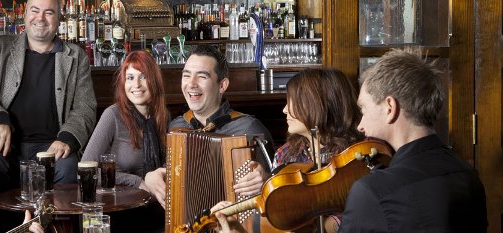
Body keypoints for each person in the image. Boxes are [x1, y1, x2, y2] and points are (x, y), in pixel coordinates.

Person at [339, 48, 487, 232]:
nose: (360, 125)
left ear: (389, 108)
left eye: (363, 109)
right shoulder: (469, 176)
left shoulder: (372, 192)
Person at [211, 68, 364, 233]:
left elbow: (364, 213)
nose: (284, 110)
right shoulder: (286, 154)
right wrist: (267, 185)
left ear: (318, 104)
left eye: (292, 102)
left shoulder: (357, 157)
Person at [0, 0, 96, 188]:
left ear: (59, 19)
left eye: (49, 13)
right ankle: (4, 219)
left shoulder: (77, 57)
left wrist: (66, 139)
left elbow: (85, 107)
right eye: (35, 11)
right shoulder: (1, 47)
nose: (40, 18)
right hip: (7, 144)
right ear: (25, 14)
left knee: (68, 167)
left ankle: (53, 218)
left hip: (53, 145)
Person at [169, 44, 275, 197]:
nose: (191, 84)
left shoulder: (249, 128)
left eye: (202, 76)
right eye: (186, 75)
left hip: (236, 220)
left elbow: (278, 186)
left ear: (222, 85)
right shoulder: (176, 127)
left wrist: (265, 180)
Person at [81, 50, 169, 204]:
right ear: (123, 82)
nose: (136, 85)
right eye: (130, 78)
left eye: (143, 77)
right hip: (121, 205)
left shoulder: (163, 116)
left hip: (157, 202)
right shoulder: (112, 115)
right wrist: (137, 182)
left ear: (154, 80)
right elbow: (85, 171)